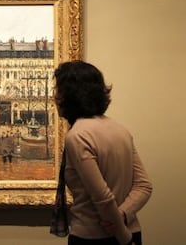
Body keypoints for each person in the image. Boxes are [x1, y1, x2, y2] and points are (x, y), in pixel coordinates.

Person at [53, 60, 152, 245]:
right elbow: (144, 186)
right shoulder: (120, 129)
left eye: (58, 90)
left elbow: (102, 197)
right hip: (132, 230)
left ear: (70, 94)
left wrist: (123, 237)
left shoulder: (77, 135)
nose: (55, 97)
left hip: (96, 237)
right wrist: (123, 215)